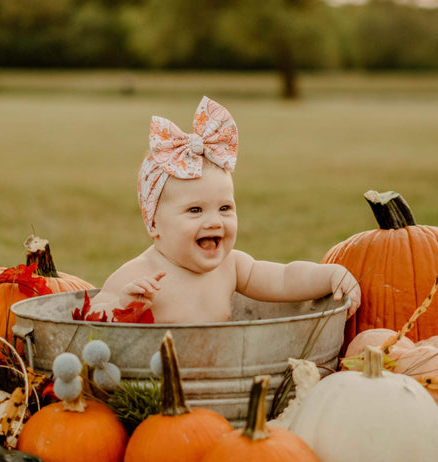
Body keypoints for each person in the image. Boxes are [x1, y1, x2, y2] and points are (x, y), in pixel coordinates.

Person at [91, 96, 361, 324]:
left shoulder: (232, 266)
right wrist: (122, 306)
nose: (214, 221)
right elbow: (90, 321)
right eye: (195, 210)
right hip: (156, 383)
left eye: (224, 208)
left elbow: (284, 278)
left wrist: (330, 275)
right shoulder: (139, 274)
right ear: (153, 224)